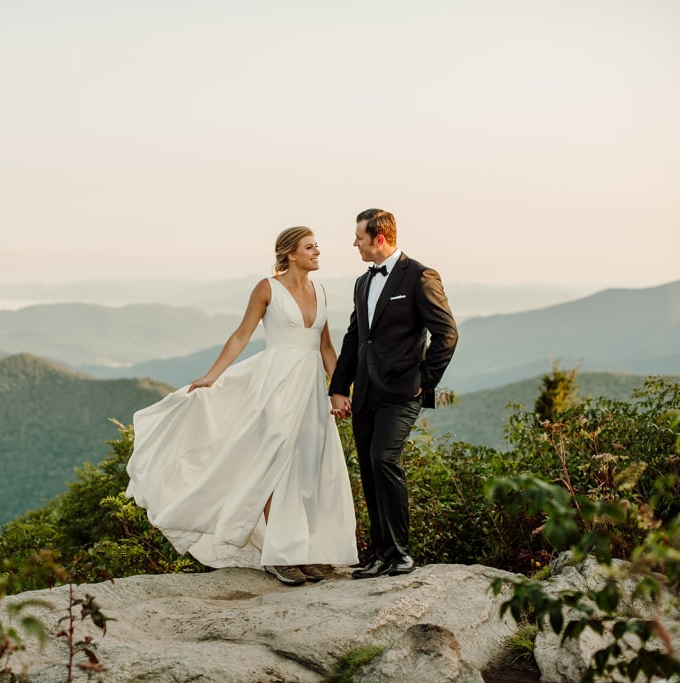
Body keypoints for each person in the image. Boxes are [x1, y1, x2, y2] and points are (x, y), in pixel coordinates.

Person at [126, 227, 359, 586]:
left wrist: (340, 390)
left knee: (308, 467)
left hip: (311, 389)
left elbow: (327, 348)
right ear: (291, 254)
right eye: (310, 247)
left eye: (317, 247)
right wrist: (211, 376)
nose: (317, 252)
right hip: (275, 385)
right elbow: (241, 335)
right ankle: (280, 555)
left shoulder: (322, 291)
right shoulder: (267, 288)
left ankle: (305, 551)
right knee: (274, 463)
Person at [328, 209, 458, 579]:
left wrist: (424, 380)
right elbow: (354, 338)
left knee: (384, 458)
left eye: (359, 237)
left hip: (402, 391)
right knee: (369, 468)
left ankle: (401, 554)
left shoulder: (420, 276)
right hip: (366, 391)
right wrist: (339, 388)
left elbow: (447, 333)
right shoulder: (362, 283)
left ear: (379, 238)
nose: (354, 243)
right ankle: (380, 554)